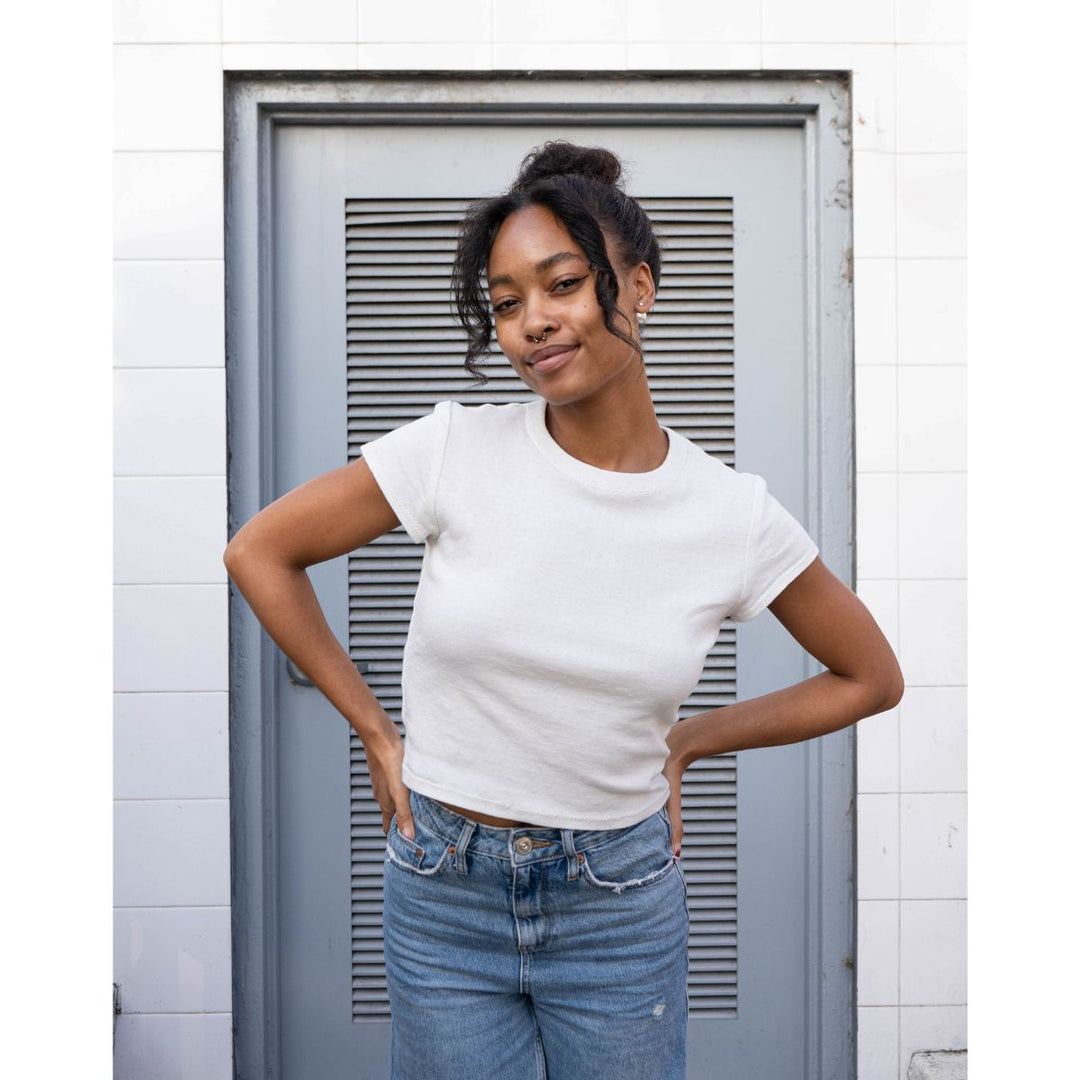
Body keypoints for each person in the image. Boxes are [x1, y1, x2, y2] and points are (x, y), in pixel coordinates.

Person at [223, 140, 904, 1080]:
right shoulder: (454, 450)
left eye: (563, 285)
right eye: (505, 304)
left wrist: (689, 743)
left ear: (639, 286)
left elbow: (872, 677)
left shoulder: (731, 515)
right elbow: (259, 551)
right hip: (443, 890)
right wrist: (379, 734)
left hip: (618, 902)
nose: (533, 322)